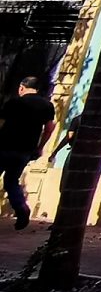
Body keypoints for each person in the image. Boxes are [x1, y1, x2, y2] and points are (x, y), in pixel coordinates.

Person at [0, 77, 57, 230]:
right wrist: (40, 147)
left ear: (22, 87)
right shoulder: (47, 105)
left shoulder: (14, 102)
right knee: (11, 181)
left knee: (8, 180)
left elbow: (1, 123)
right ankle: (21, 208)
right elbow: (50, 128)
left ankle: (21, 209)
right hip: (25, 150)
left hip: (4, 146)